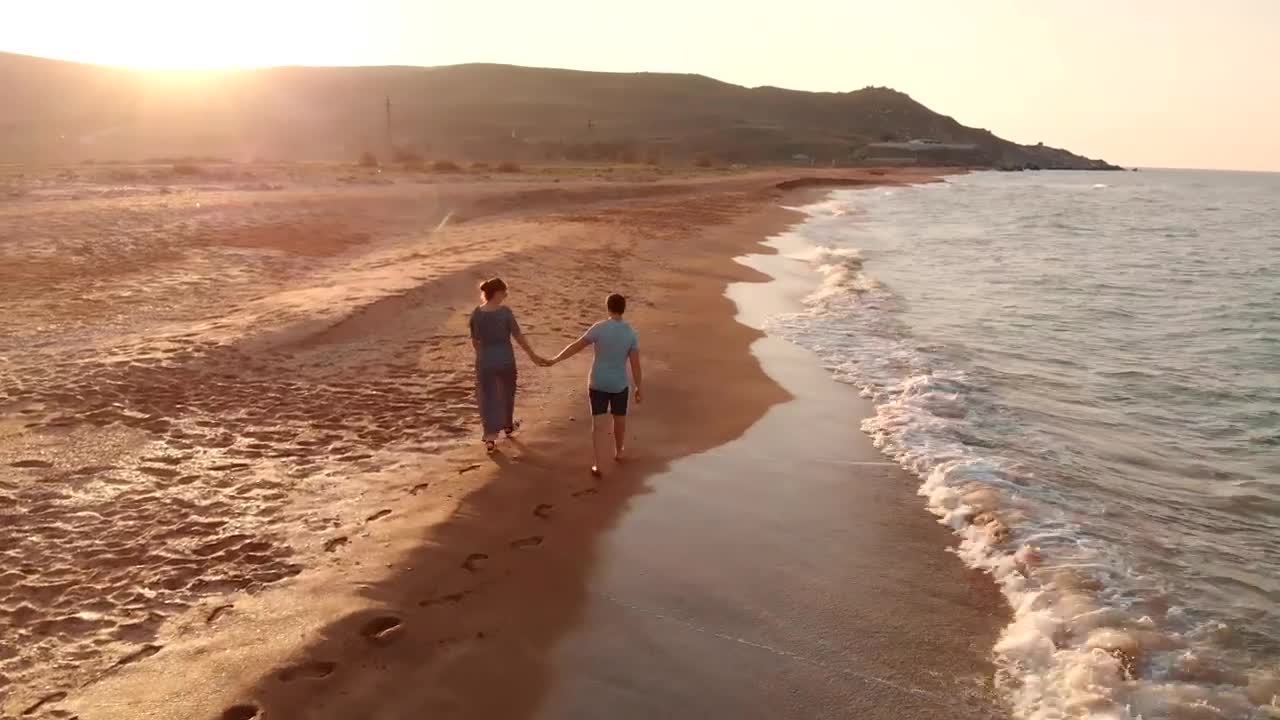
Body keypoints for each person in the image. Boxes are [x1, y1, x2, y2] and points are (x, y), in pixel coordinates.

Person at [548, 293, 642, 476]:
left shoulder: (599, 328)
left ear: (608, 308)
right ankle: (619, 451)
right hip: (619, 384)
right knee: (619, 419)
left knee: (598, 424)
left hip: (597, 381)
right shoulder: (630, 333)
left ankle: (598, 464)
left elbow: (577, 346)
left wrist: (556, 359)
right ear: (623, 309)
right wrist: (639, 386)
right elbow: (635, 364)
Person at [469, 278, 547, 452]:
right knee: (506, 392)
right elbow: (518, 336)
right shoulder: (505, 312)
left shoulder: (476, 313)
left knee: (487, 396)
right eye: (504, 292)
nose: (506, 295)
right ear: (496, 293)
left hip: (485, 360)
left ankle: (490, 438)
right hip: (505, 359)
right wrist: (532, 355)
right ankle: (507, 426)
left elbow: (475, 341)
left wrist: (483, 357)